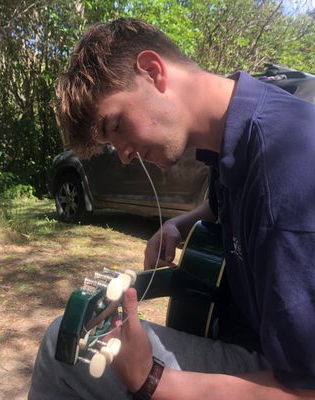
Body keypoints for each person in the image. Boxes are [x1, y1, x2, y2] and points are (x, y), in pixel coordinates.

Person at [29, 18, 315, 399]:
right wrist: (179, 224)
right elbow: (223, 205)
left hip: (277, 372)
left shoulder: (286, 170)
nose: (124, 156)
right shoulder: (237, 135)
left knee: (60, 348)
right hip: (251, 341)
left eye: (116, 125)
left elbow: (304, 390)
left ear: (152, 71)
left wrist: (153, 380)